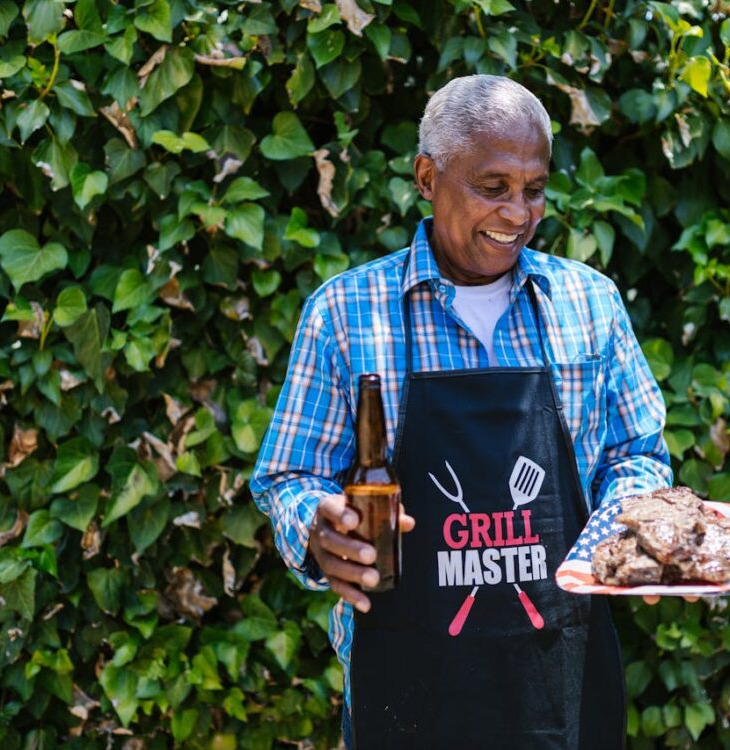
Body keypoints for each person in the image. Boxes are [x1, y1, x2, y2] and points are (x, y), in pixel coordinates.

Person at [250, 74, 673, 750]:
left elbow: (638, 455)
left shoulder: (589, 303)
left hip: (561, 685)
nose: (517, 214)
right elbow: (288, 479)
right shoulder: (346, 313)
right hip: (410, 692)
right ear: (426, 176)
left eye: (533, 190)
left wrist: (634, 534)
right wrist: (316, 530)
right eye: (492, 187)